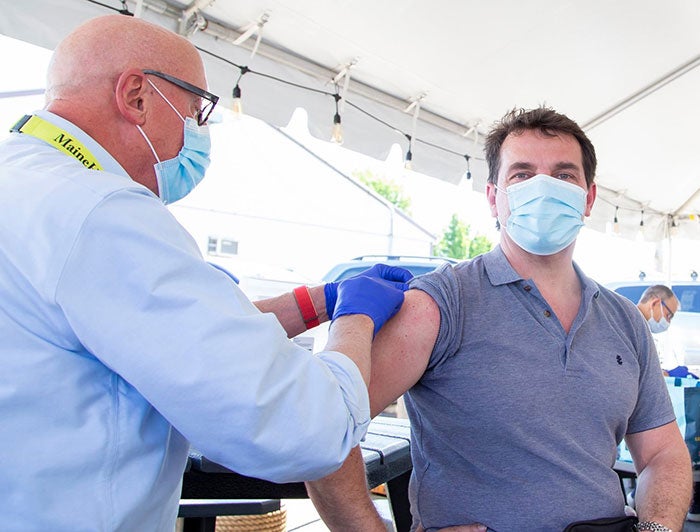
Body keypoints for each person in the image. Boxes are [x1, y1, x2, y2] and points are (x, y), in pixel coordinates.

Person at [0, 14, 413, 531]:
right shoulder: (102, 212)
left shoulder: (26, 183)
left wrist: (320, 300)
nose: (198, 134)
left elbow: (168, 336)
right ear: (137, 96)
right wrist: (355, 319)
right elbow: (300, 425)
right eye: (196, 110)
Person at [305, 107, 693, 532]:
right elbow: (324, 427)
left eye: (564, 175)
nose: (543, 188)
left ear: (589, 197)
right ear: (493, 197)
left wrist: (656, 528)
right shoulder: (442, 303)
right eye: (522, 175)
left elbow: (662, 455)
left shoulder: (624, 321)